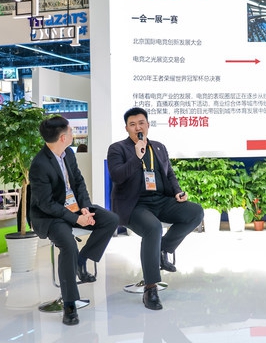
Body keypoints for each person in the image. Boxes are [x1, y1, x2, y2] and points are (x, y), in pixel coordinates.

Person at [107, 107, 204, 311]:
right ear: (126, 128)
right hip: (134, 204)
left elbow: (169, 174)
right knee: (153, 228)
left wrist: (177, 192)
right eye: (132, 124)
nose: (137, 127)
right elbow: (117, 176)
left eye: (141, 123)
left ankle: (163, 248)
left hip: (161, 200)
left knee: (195, 212)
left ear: (148, 125)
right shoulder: (117, 149)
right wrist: (137, 157)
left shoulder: (158, 147)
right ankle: (150, 288)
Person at [29, 116, 119, 326]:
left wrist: (85, 207)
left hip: (75, 208)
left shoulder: (68, 153)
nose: (73, 133)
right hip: (51, 216)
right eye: (70, 131)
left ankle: (81, 261)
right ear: (63, 137)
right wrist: (76, 218)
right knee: (68, 245)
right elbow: (46, 204)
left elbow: (78, 182)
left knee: (111, 220)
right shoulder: (39, 164)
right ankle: (69, 304)